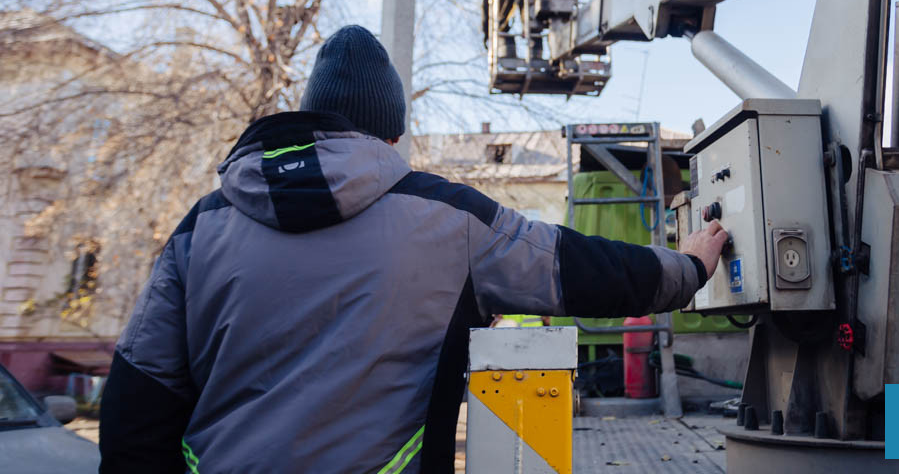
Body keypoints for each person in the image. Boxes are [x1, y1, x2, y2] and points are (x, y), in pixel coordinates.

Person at [99, 25, 728, 473]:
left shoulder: (201, 227)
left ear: (312, 115)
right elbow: (586, 271)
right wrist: (691, 265)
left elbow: (135, 406)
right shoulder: (449, 219)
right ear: (392, 133)